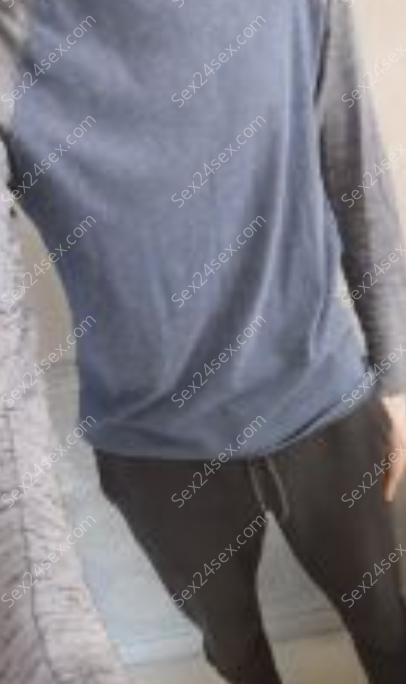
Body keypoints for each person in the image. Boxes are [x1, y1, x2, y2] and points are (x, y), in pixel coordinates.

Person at [1, 0, 406, 681]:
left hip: (325, 403)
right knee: (236, 655)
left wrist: (395, 377)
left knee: (390, 631)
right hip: (155, 450)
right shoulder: (16, 34)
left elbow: (354, 163)